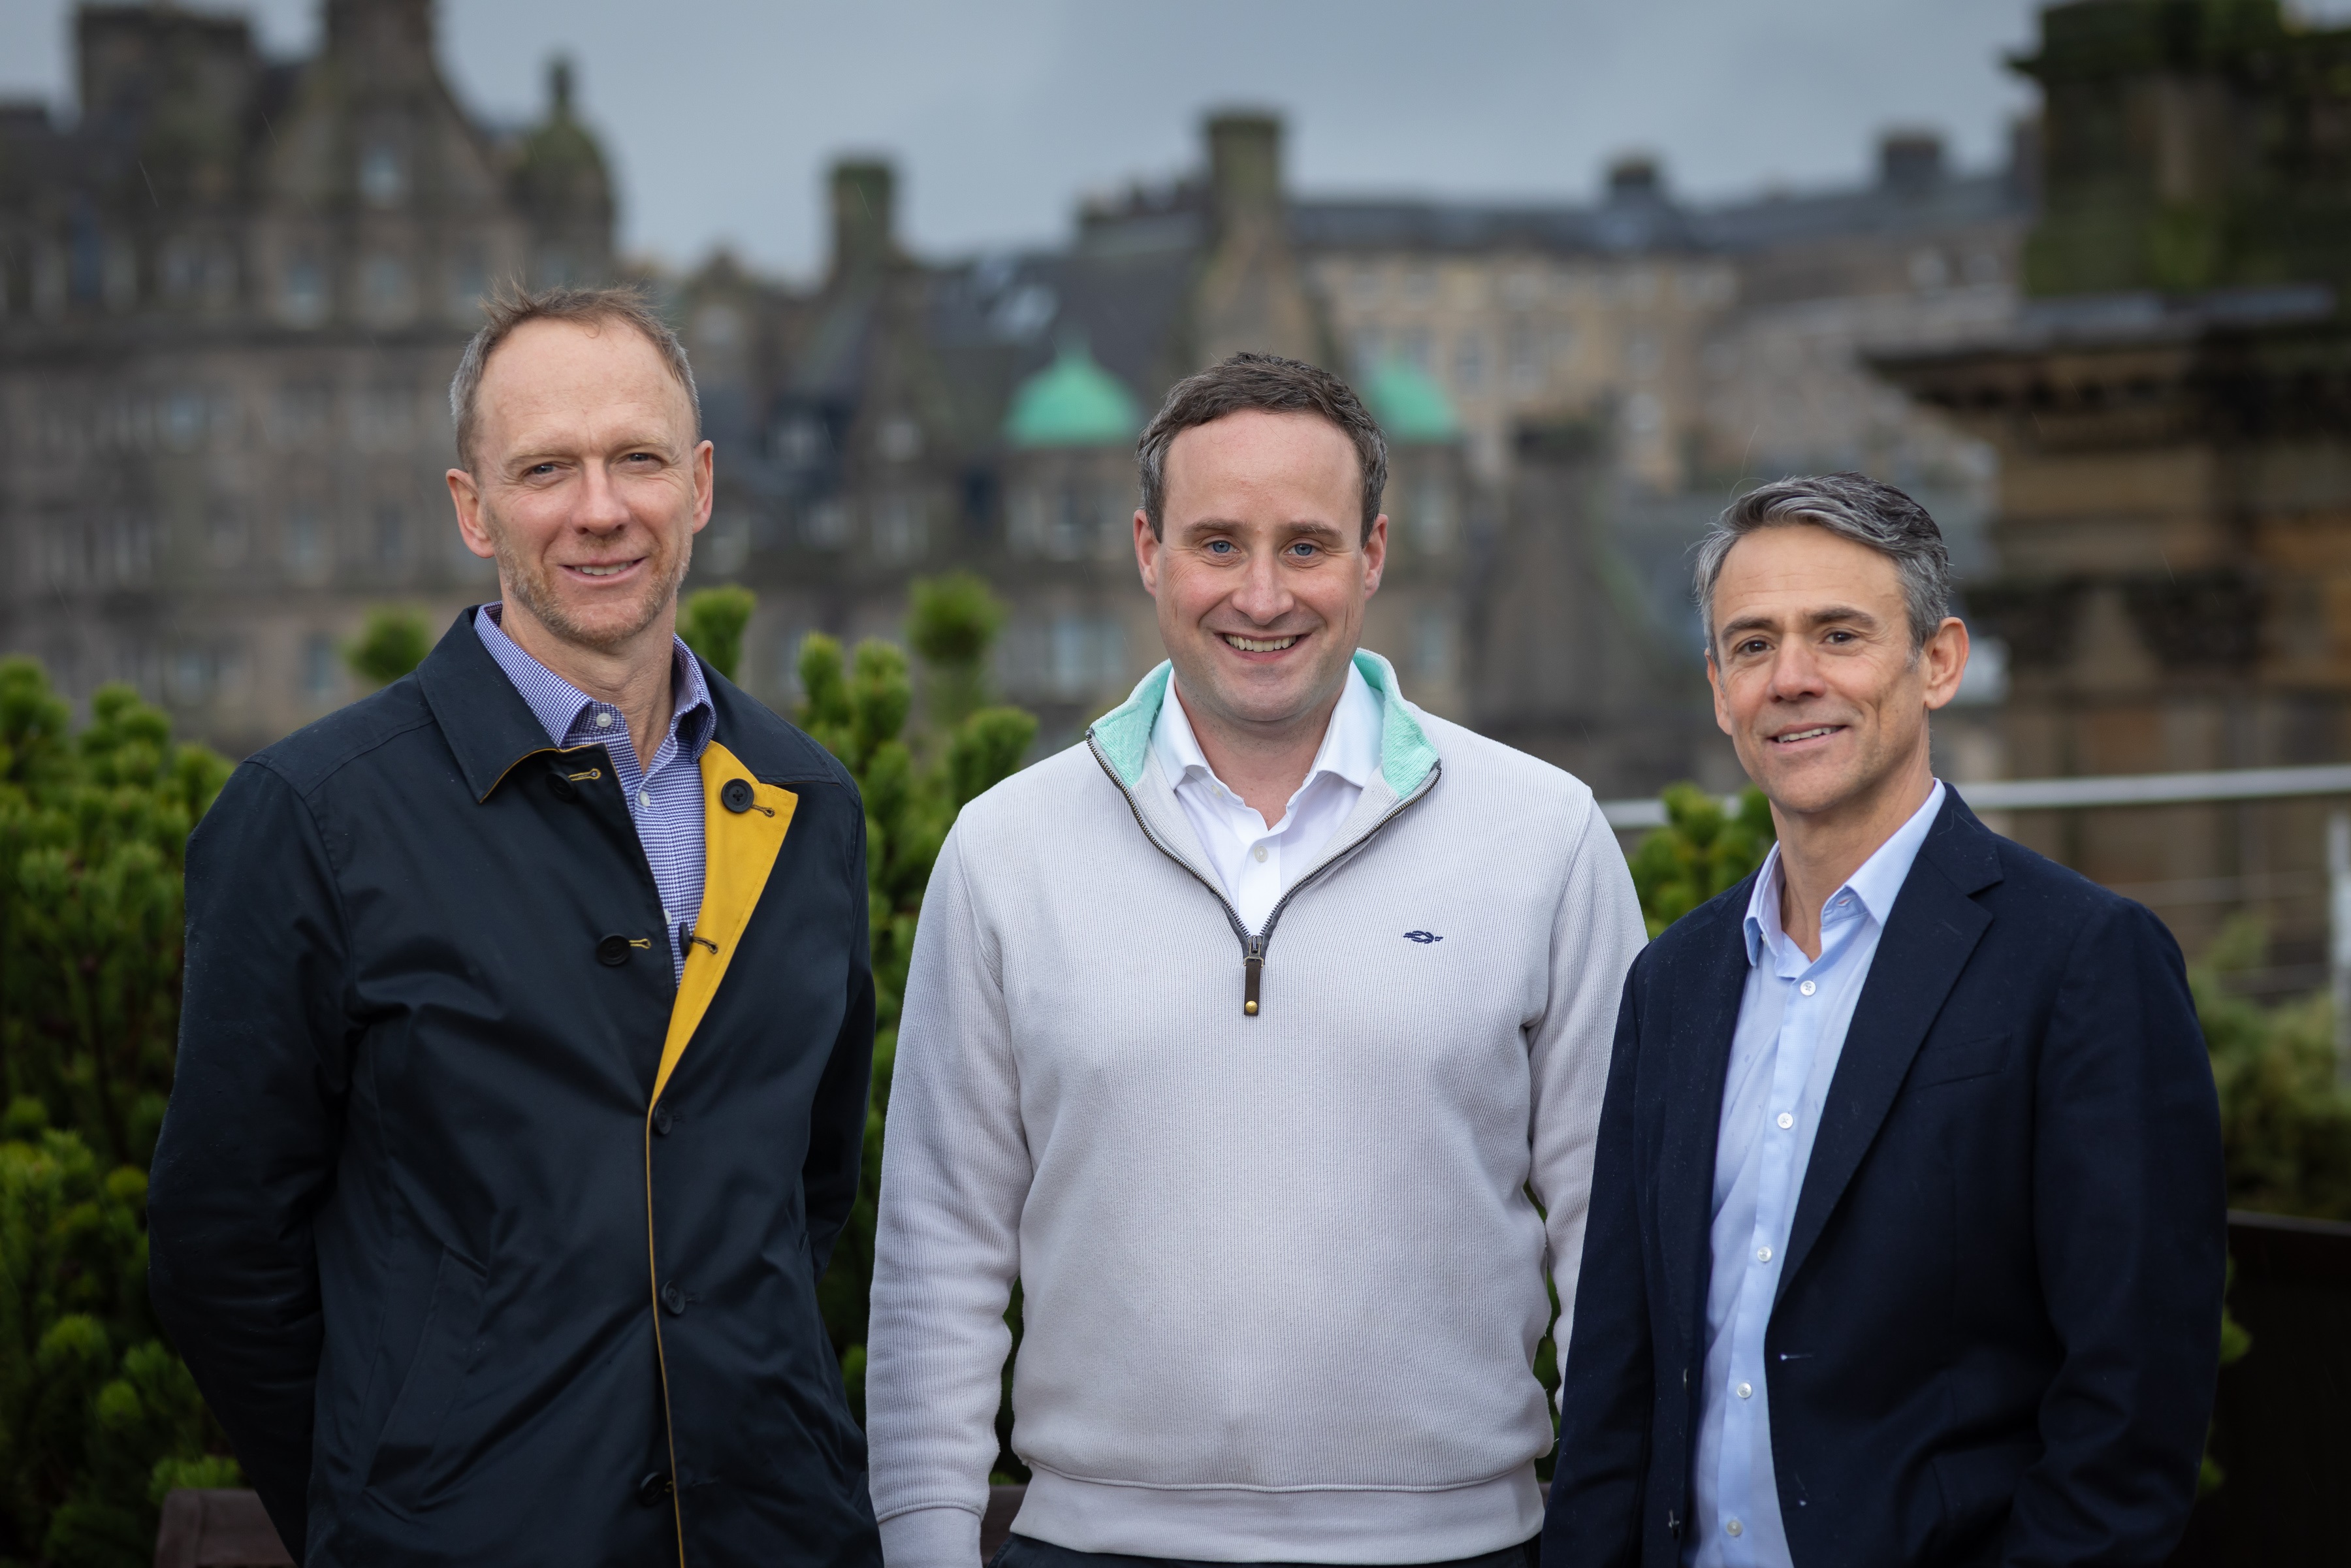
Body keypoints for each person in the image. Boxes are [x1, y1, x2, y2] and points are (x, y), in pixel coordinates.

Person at [867, 351, 1647, 1568]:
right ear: (1148, 552)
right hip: (1089, 1547)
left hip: (1462, 1550)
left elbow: (1619, 1244)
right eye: (1218, 543)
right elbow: (938, 1252)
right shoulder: (1005, 847)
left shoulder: (1544, 834)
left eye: (1307, 545)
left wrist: (1611, 1538)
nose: (1263, 593)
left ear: (1374, 555)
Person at [147, 285, 880, 1565]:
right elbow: (221, 1243)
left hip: (778, 1536)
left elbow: (803, 1191)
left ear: (699, 484)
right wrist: (401, 1501)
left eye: (637, 459)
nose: (600, 509)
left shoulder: (807, 800)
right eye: (546, 468)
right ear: (472, 506)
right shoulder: (314, 816)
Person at [1542, 474, 2225, 1568]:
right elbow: (1620, 1374)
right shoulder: (1672, 982)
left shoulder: (2083, 962)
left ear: (1938, 662)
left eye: (1840, 633)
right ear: (1718, 688)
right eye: (1753, 645)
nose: (1793, 678)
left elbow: (2134, 1398)